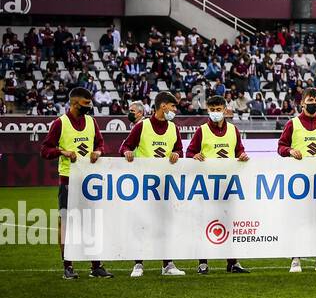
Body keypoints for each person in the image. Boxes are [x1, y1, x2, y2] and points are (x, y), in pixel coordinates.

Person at [39, 87, 110, 279]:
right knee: (67, 224)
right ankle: (68, 266)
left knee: (93, 223)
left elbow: (101, 144)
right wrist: (62, 152)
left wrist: (99, 152)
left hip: (89, 182)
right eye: (86, 103)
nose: (89, 106)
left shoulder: (91, 122)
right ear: (74, 103)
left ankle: (96, 266)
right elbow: (45, 150)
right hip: (68, 181)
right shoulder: (59, 123)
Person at [121, 91, 185, 277]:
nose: (175, 110)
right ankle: (138, 264)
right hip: (144, 185)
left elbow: (179, 149)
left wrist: (177, 154)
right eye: (173, 106)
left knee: (165, 224)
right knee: (142, 223)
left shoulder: (173, 128)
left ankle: (167, 264)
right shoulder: (142, 126)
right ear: (163, 106)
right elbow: (125, 146)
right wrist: (127, 153)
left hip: (166, 186)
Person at [276, 88, 316, 273]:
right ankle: (295, 259)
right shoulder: (292, 124)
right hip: (298, 182)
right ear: (302, 103)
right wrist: (289, 151)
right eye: (310, 99)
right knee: (299, 221)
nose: (314, 102)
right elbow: (281, 146)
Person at [187, 95, 250, 275]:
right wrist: (194, 156)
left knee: (229, 223)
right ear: (208, 110)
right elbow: (190, 151)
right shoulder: (202, 130)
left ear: (225, 109)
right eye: (212, 110)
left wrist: (243, 155)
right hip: (207, 186)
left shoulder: (233, 130)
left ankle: (232, 262)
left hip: (228, 185)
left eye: (218, 109)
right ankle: (203, 262)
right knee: (204, 223)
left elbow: (239, 150)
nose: (215, 113)